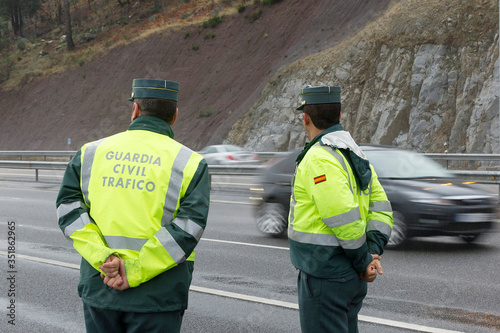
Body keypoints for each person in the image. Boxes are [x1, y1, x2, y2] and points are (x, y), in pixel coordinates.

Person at [56, 78, 210, 333]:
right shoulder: (191, 163)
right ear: (174, 116)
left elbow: (69, 211)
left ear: (135, 110)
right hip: (158, 295)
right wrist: (133, 270)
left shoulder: (90, 153)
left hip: (101, 284)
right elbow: (188, 228)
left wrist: (105, 258)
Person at [288, 85, 393, 333]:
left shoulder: (318, 157)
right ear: (340, 115)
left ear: (306, 117)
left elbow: (342, 217)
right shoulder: (353, 152)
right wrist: (373, 251)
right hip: (348, 276)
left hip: (326, 273)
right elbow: (381, 208)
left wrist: (363, 261)